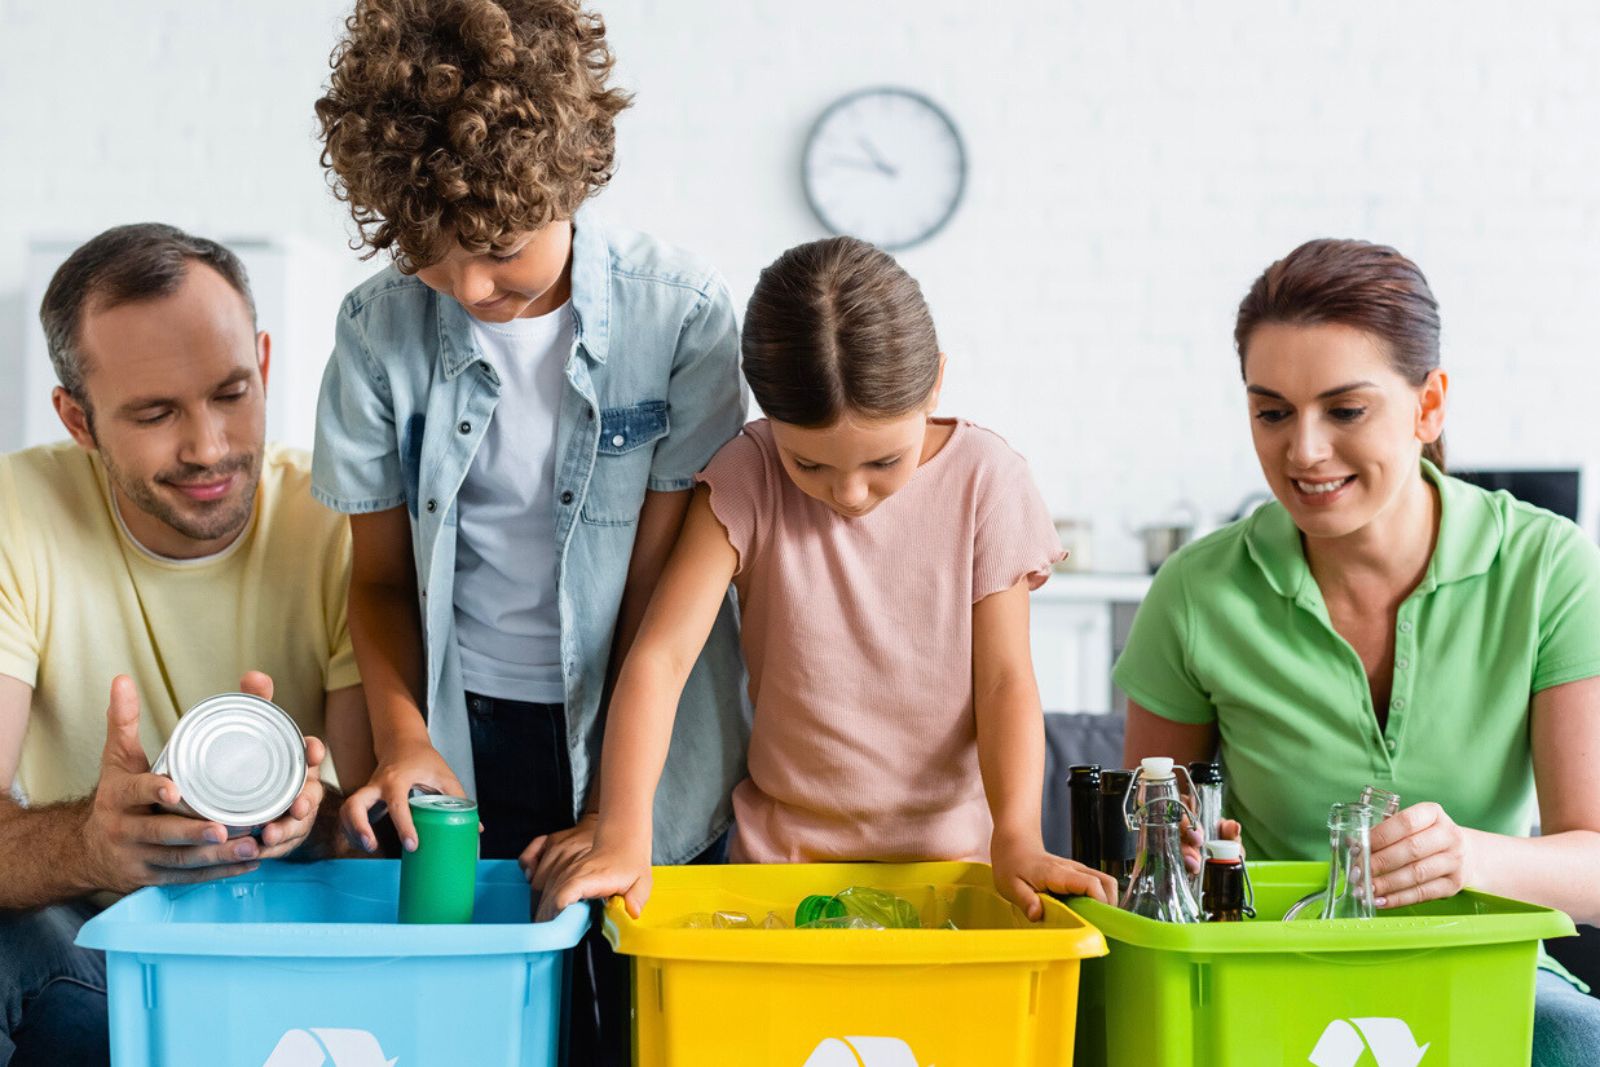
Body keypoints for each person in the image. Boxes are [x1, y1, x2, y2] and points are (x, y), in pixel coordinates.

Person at [310, 1, 748, 1059]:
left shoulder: (680, 317)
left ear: (571, 180)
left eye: (500, 249)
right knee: (487, 1026)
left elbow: (658, 607)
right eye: (426, 252)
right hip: (466, 734)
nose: (467, 287)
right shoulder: (377, 332)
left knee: (638, 1022)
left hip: (646, 735)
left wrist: (617, 800)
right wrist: (407, 734)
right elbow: (375, 582)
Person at [1116, 238, 1600, 1064]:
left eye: (1345, 410)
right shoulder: (1196, 592)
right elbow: (1149, 844)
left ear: (1429, 404)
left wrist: (1468, 855)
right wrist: (1168, 847)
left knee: (1568, 1037)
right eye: (1272, 412)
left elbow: (1590, 859)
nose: (1303, 451)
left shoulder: (1548, 567)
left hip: (1478, 965)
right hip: (1270, 963)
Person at [538, 236, 1117, 922]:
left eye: (882, 461)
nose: (849, 493)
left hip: (953, 868)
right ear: (767, 415)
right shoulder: (748, 473)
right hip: (781, 870)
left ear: (934, 382)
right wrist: (626, 832)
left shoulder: (987, 482)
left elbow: (1004, 682)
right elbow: (660, 660)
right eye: (809, 465)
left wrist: (1017, 837)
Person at [0, 223, 371, 1066]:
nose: (208, 446)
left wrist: (310, 817)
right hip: (104, 967)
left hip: (301, 970)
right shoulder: (16, 511)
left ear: (267, 365)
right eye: (156, 412)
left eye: (232, 392)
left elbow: (377, 829)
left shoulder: (343, 523)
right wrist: (92, 845)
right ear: (77, 419)